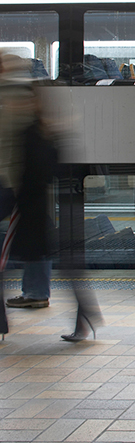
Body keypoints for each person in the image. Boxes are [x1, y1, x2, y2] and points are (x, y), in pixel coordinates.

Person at [0, 55, 57, 311]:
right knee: (37, 235)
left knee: (31, 235)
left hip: (11, 180)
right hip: (26, 182)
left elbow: (9, 144)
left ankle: (34, 290)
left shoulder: (9, 93)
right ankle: (36, 290)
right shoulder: (29, 91)